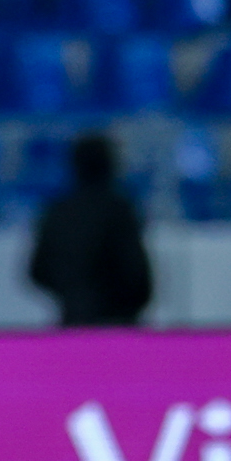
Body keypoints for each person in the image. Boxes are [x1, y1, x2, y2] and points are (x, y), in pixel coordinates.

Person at [28, 132, 154, 326]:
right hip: (120, 325)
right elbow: (136, 273)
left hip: (74, 320)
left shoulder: (58, 211)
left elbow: (38, 270)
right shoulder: (120, 209)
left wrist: (72, 295)